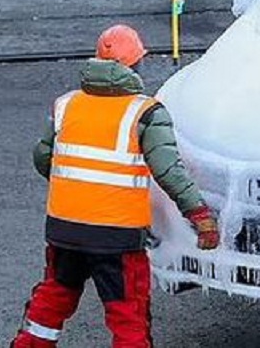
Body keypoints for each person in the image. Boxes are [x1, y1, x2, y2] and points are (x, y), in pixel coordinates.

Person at [12, 25, 219, 348]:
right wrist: (201, 216)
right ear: (135, 65)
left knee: (54, 296)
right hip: (117, 237)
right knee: (127, 314)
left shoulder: (67, 104)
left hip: (64, 228)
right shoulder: (145, 112)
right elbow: (170, 172)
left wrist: (79, 190)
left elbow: (44, 158)